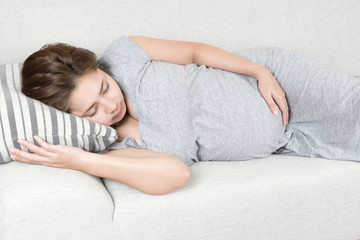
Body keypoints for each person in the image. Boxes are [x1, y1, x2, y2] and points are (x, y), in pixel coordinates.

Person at [11, 35, 360, 195]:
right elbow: (176, 174)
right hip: (289, 139)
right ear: (71, 118)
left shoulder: (124, 55)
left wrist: (259, 72)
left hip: (281, 82)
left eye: (104, 87)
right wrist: (82, 162)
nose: (111, 105)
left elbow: (194, 51)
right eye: (91, 111)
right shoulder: (112, 148)